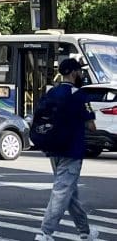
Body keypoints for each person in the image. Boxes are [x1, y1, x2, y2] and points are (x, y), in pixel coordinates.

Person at [36, 58, 97, 241]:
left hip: (53, 148)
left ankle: (85, 232)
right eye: (79, 71)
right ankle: (45, 232)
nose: (81, 74)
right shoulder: (79, 94)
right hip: (72, 149)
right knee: (62, 191)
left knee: (70, 192)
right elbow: (91, 126)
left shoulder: (52, 92)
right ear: (72, 72)